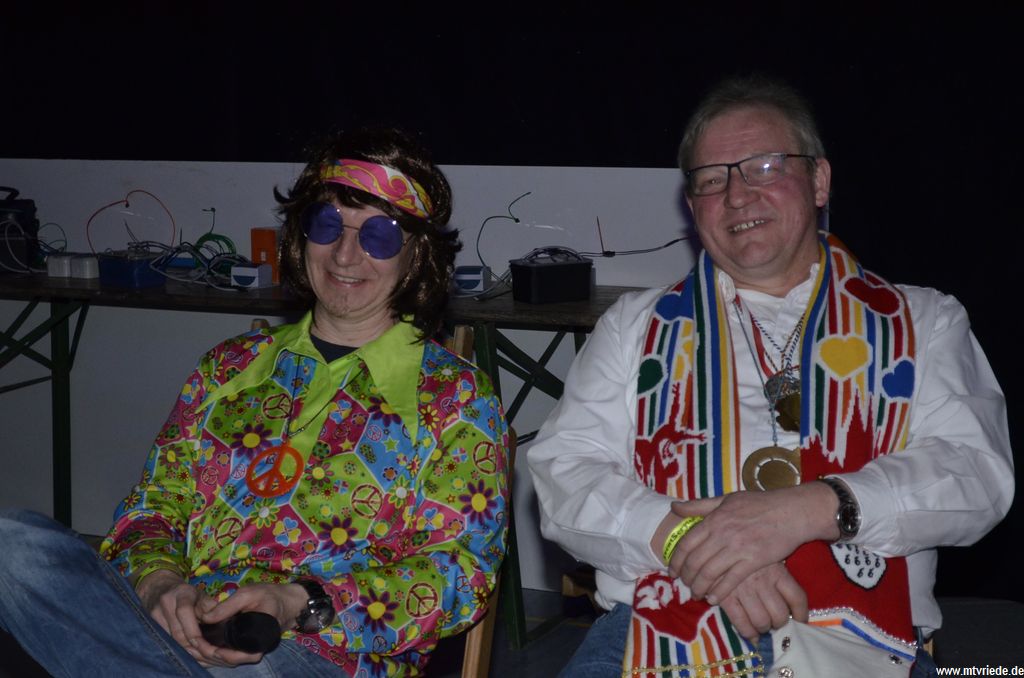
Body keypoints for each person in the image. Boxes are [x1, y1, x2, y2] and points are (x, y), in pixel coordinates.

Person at [528, 76, 1013, 677]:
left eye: (763, 166)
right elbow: (564, 473)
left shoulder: (923, 320)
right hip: (658, 624)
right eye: (712, 179)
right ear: (692, 206)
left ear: (819, 180)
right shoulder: (636, 326)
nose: (736, 195)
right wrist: (695, 548)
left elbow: (975, 473)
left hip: (860, 643)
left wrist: (809, 509)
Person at [0, 127, 509, 677]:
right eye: (327, 224)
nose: (344, 254)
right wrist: (159, 583)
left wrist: (300, 602)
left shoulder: (455, 397)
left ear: (415, 256)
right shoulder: (228, 368)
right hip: (176, 630)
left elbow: (462, 574)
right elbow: (152, 510)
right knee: (14, 546)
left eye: (379, 235)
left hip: (319, 649)